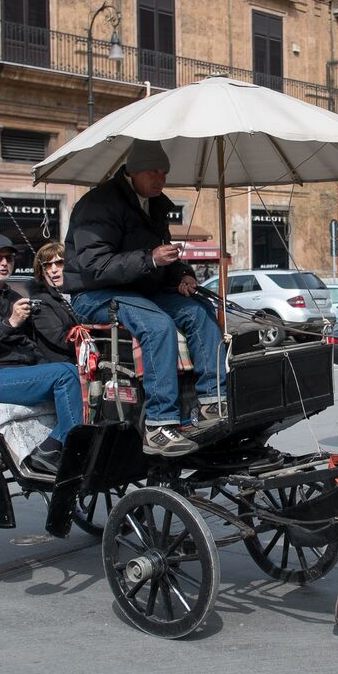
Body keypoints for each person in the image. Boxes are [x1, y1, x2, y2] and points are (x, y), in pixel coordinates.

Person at [64, 141, 225, 458]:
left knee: (200, 311)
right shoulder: (98, 204)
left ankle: (212, 401)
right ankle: (159, 425)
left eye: (164, 172)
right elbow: (94, 266)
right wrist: (150, 259)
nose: (161, 179)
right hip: (94, 294)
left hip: (139, 290)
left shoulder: (156, 204)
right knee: (157, 325)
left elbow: (163, 256)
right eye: (154, 172)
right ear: (133, 171)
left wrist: (182, 275)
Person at [0, 234, 84, 478]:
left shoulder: (12, 296)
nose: (4, 263)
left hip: (22, 371)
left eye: (9, 258)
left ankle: (62, 445)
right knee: (66, 374)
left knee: (80, 375)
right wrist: (9, 323)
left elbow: (29, 344)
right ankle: (58, 448)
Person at [28, 241, 80, 364]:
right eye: (47, 265)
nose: (54, 269)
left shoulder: (80, 295)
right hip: (62, 365)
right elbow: (61, 340)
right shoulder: (39, 302)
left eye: (60, 263)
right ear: (41, 272)